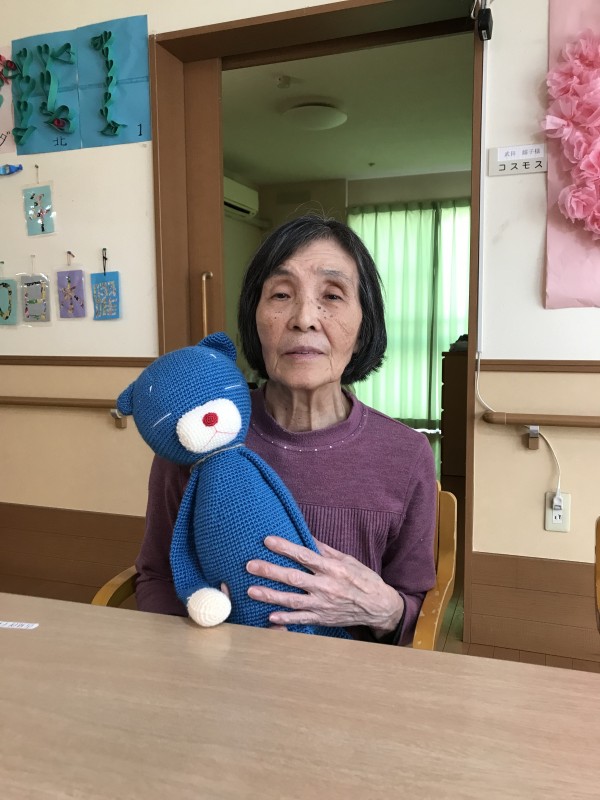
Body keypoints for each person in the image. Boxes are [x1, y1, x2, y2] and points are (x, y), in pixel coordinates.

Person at [135, 214, 436, 645]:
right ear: (254, 319)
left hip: (349, 676)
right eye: (281, 294)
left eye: (331, 296)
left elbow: (415, 610)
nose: (304, 318)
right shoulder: (201, 434)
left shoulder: (405, 454)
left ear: (363, 326)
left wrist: (383, 608)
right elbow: (158, 578)